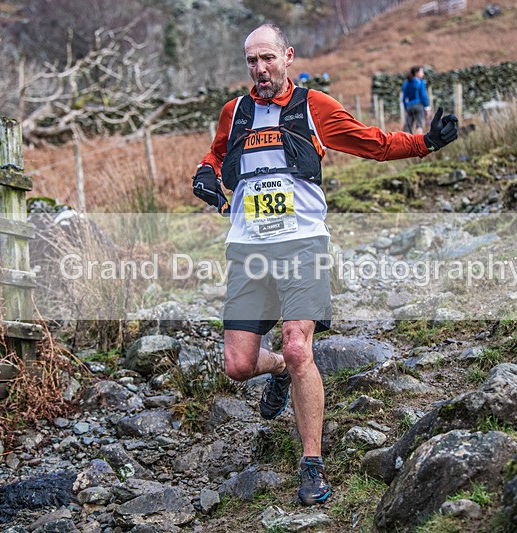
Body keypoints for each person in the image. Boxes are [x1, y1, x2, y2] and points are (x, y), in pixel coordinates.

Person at [191, 23, 458, 506]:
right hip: (247, 248)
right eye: (252, 61)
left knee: (297, 347)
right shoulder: (235, 113)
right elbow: (214, 155)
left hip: (303, 245)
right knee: (237, 365)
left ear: (287, 57)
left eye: (268, 58)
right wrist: (205, 176)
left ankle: (310, 464)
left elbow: (371, 142)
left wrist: (425, 143)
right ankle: (275, 372)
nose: (261, 69)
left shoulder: (315, 107)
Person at [401, 66, 431, 134]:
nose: (423, 74)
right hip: (418, 106)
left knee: (407, 127)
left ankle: (406, 143)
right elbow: (423, 96)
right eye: (421, 72)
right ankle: (419, 143)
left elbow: (403, 98)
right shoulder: (421, 82)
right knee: (419, 126)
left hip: (409, 106)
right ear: (416, 73)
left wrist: (406, 107)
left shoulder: (406, 83)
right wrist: (427, 107)